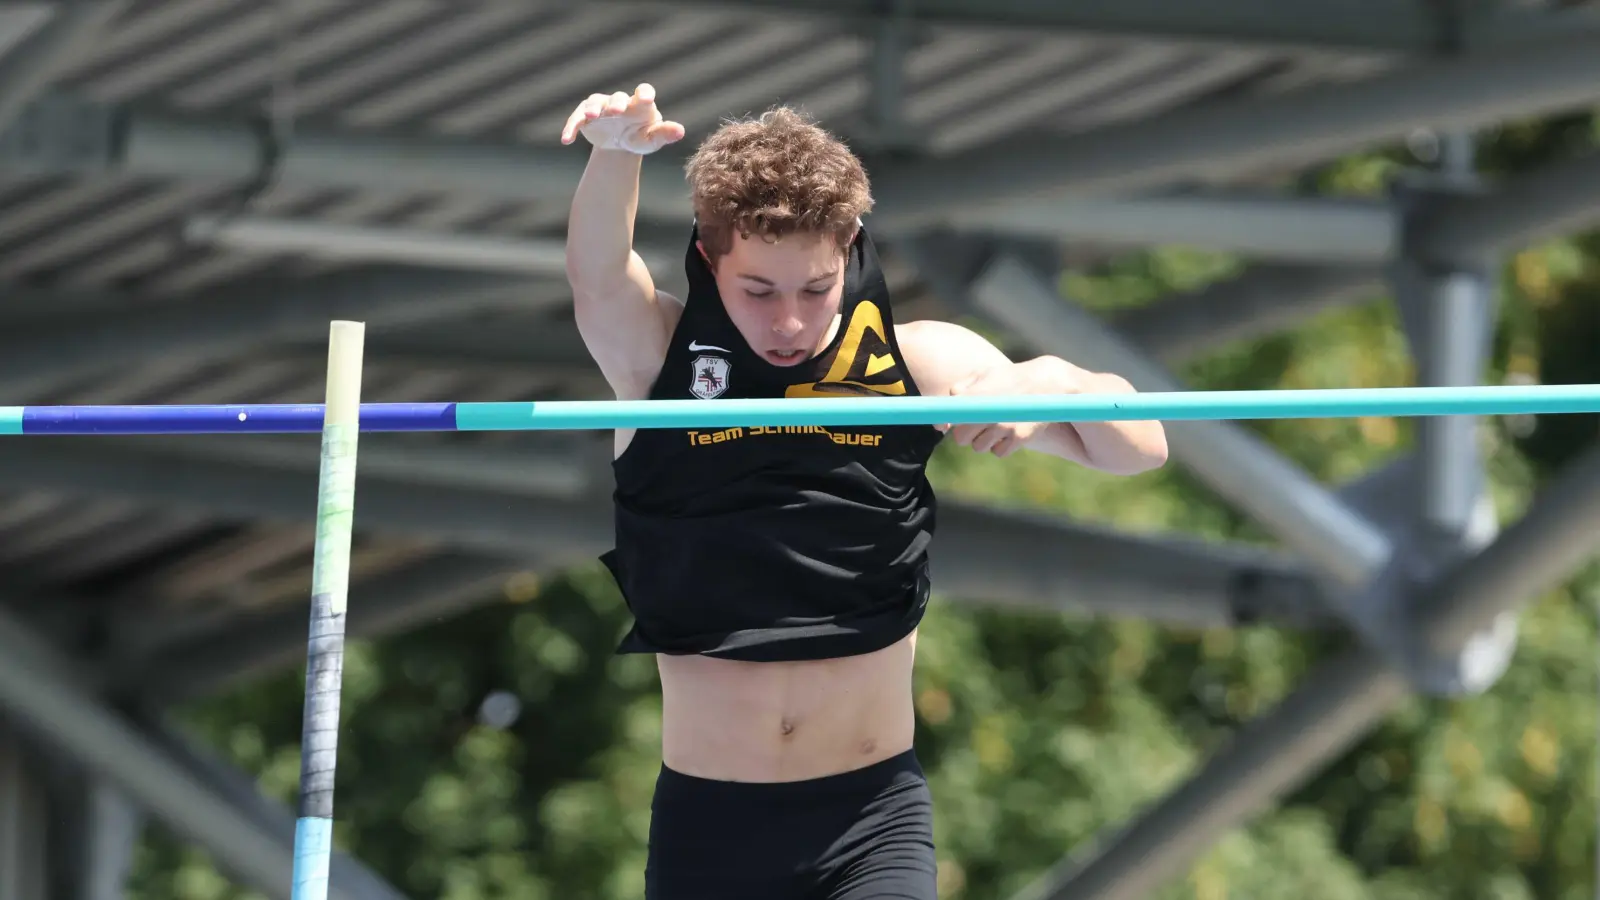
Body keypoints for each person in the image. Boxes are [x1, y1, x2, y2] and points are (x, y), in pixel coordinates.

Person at [560, 84, 1168, 900]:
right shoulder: (657, 364)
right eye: (758, 292)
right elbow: (599, 279)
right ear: (710, 265)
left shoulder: (917, 362)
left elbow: (1140, 450)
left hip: (869, 820)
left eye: (815, 290)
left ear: (848, 251)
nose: (789, 323)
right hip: (710, 830)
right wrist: (614, 157)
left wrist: (1045, 379)